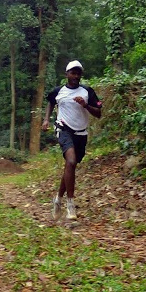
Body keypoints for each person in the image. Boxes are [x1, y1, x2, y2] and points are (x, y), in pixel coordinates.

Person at [41, 60, 102, 220]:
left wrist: (86, 105)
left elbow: (98, 114)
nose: (76, 76)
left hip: (81, 133)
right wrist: (46, 119)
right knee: (71, 161)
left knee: (71, 165)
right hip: (63, 128)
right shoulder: (58, 91)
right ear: (66, 74)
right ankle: (70, 205)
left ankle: (57, 200)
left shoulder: (87, 91)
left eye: (78, 73)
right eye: (73, 73)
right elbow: (51, 102)